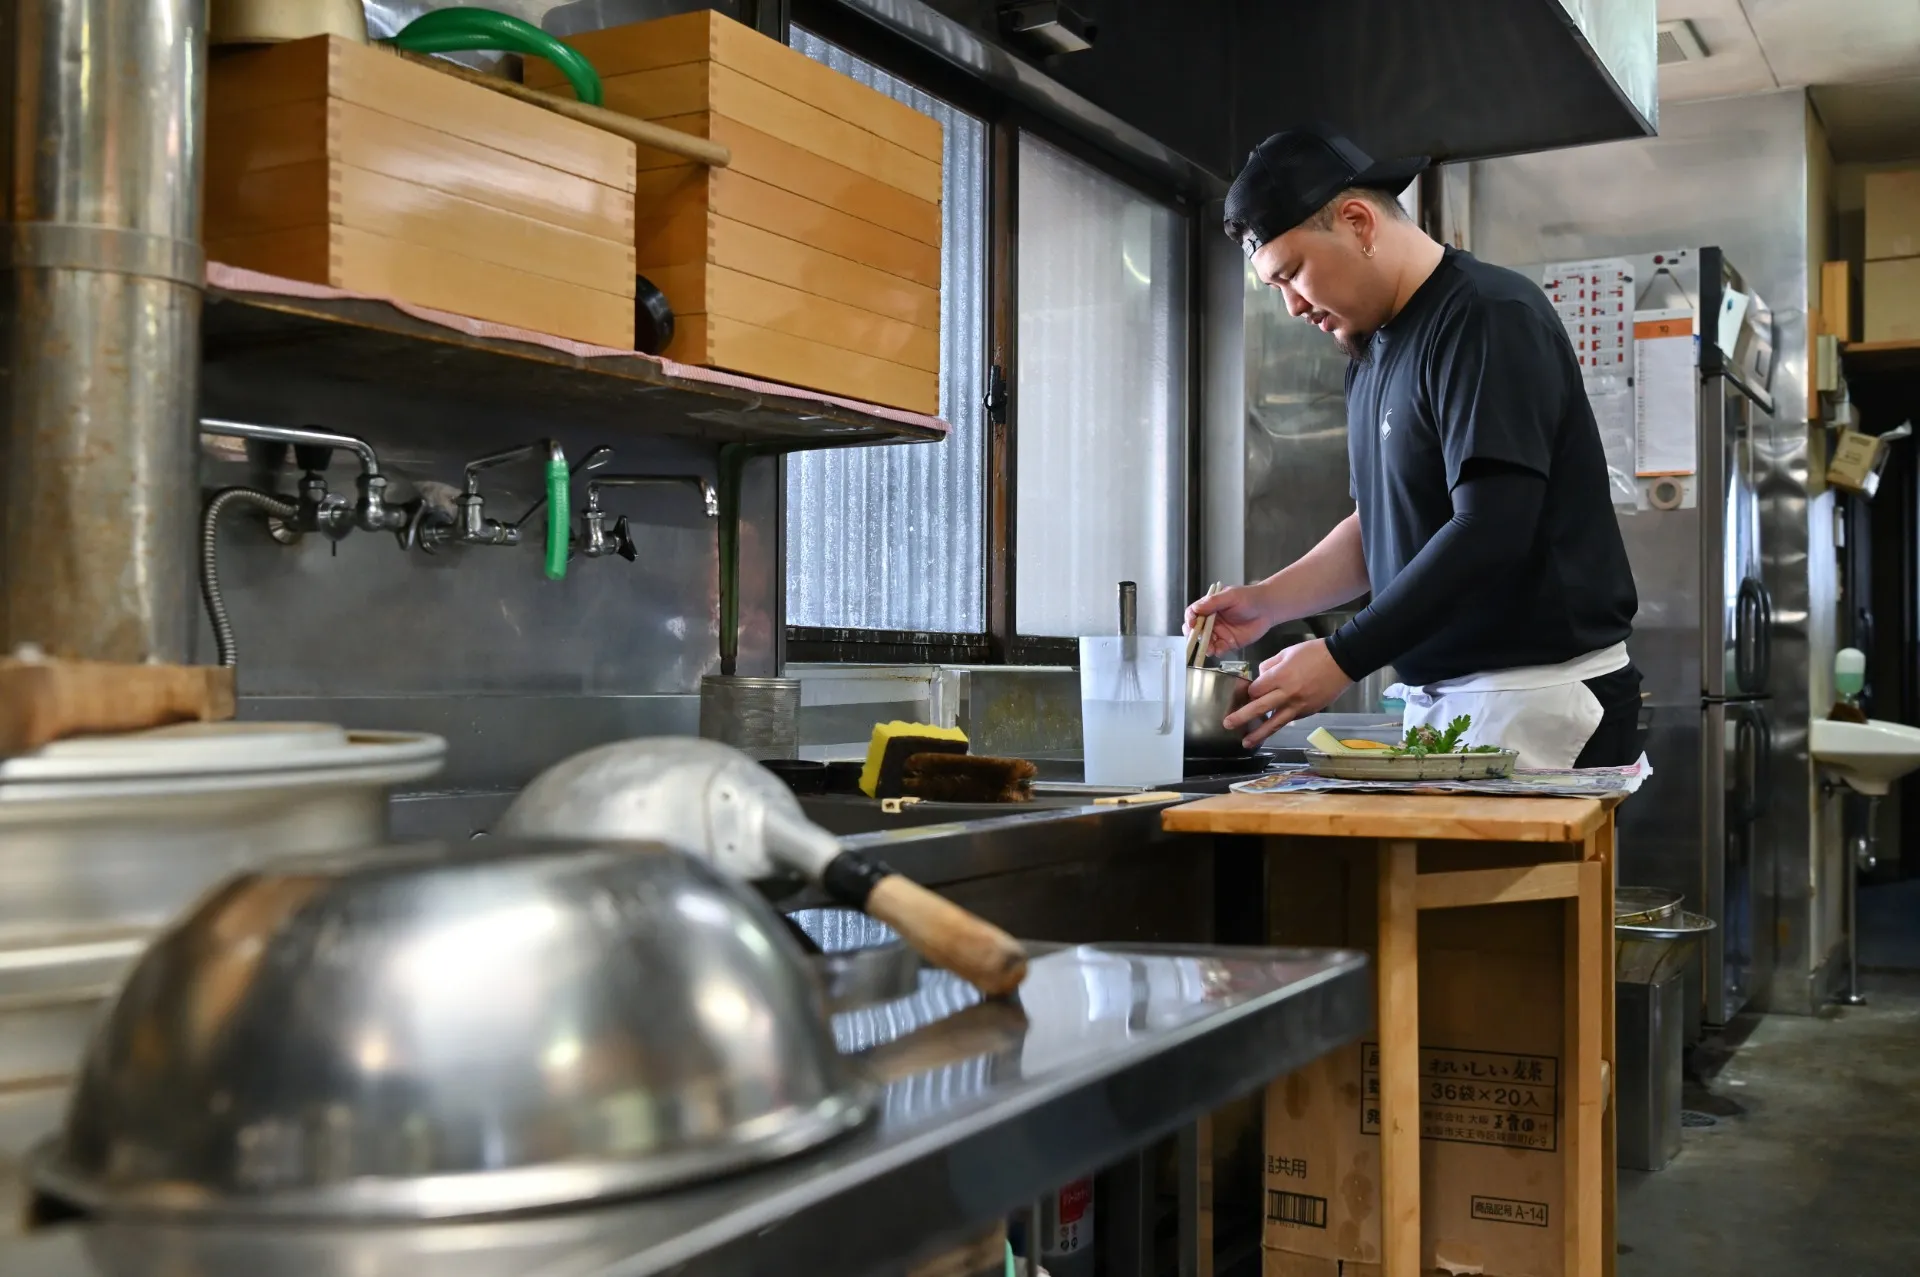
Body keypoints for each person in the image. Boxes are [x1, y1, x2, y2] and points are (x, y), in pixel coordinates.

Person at [1188, 125, 1642, 769]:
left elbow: (1493, 527)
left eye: (1292, 274)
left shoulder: (1487, 314)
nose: (1291, 306)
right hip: (1453, 706)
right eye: (1275, 287)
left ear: (1357, 222)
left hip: (1538, 702)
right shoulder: (1370, 353)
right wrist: (1267, 601)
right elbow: (1382, 527)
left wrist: (1343, 656)